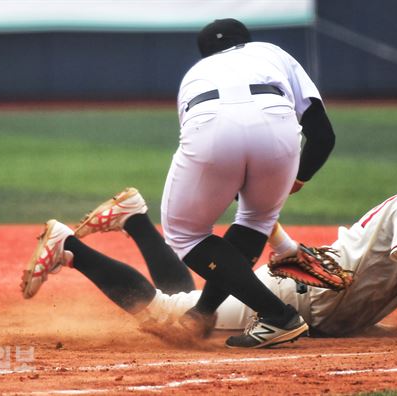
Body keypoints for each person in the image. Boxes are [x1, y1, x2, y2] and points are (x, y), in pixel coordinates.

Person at [21, 18, 336, 349]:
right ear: (246, 41)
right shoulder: (271, 53)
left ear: (206, 53)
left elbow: (213, 148)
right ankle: (206, 312)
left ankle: (270, 315)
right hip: (279, 126)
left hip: (211, 123)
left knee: (187, 234)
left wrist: (232, 178)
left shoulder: (196, 74)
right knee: (257, 220)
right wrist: (297, 177)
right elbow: (323, 135)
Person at [21, 161, 397, 340]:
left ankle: (136, 219)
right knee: (169, 318)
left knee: (192, 302)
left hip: (313, 293)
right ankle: (70, 247)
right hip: (297, 297)